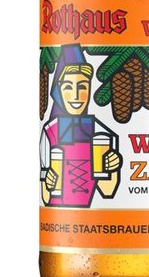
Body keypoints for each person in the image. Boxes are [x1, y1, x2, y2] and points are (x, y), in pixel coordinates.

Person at [40, 44, 122, 207]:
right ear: (59, 90)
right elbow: (45, 197)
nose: (76, 95)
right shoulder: (49, 132)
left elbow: (108, 190)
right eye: (68, 87)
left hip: (91, 214)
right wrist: (48, 183)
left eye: (82, 86)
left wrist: (112, 169)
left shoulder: (101, 133)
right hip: (60, 217)